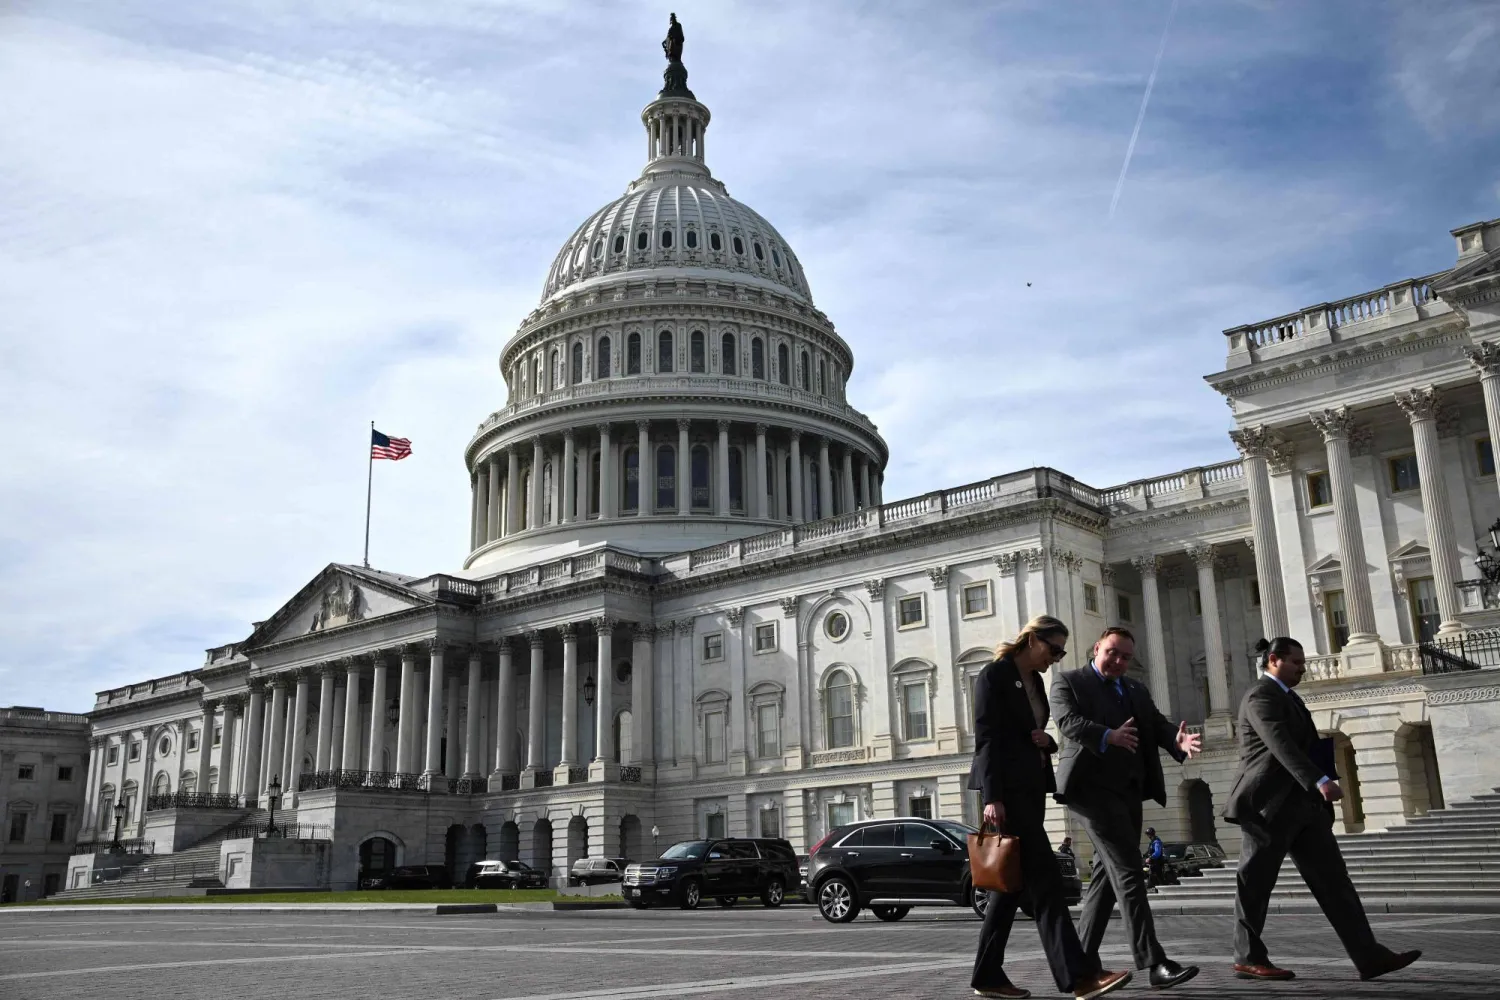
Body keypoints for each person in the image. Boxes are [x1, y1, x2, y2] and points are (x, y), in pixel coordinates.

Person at [1224, 636, 1422, 982]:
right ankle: (1248, 956)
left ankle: (1369, 956)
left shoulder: (1290, 698)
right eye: (1296, 663)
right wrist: (1318, 780)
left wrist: (1319, 781)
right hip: (1268, 806)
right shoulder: (1261, 697)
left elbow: (1307, 746)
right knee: (1254, 882)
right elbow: (1280, 745)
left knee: (1335, 883)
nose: (1303, 668)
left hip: (1303, 807)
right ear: (1274, 660)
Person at [967, 615, 1132, 1000]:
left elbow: (1033, 735)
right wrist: (992, 797)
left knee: (1008, 890)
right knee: (1046, 887)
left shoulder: (1036, 682)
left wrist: (1047, 742)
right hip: (1007, 793)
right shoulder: (994, 676)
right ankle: (1080, 977)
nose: (1056, 658)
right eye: (1053, 649)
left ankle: (987, 975)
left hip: (1031, 789)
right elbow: (987, 738)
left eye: (1061, 652)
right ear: (1032, 640)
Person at [1051, 627, 1200, 990]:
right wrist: (1108, 735)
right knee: (1130, 871)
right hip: (1090, 790)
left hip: (1128, 791)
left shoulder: (1135, 689)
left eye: (1126, 657)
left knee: (1105, 878)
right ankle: (1155, 962)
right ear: (1097, 647)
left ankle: (1081, 964)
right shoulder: (1068, 682)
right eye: (1112, 653)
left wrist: (1177, 741)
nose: (1118, 661)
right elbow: (1068, 723)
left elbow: (1157, 724)